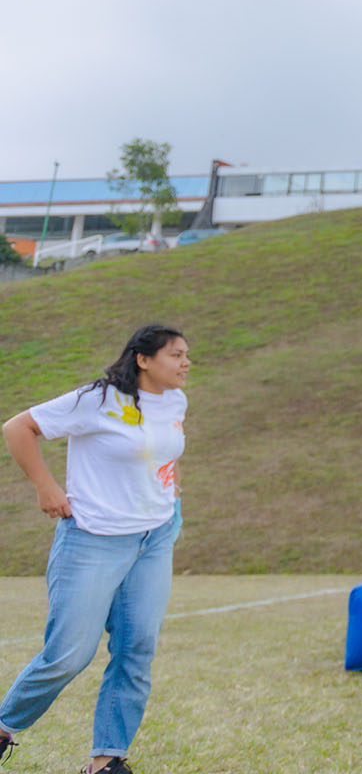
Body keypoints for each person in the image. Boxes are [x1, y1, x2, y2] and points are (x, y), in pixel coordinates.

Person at [0, 324, 190, 774]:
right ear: (143, 359)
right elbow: (18, 427)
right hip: (93, 539)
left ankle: (107, 760)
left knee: (136, 648)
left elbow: (166, 449)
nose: (186, 363)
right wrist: (46, 489)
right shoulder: (97, 399)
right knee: (69, 653)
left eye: (187, 355)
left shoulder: (175, 400)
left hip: (155, 536)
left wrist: (171, 489)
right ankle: (3, 726)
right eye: (176, 355)